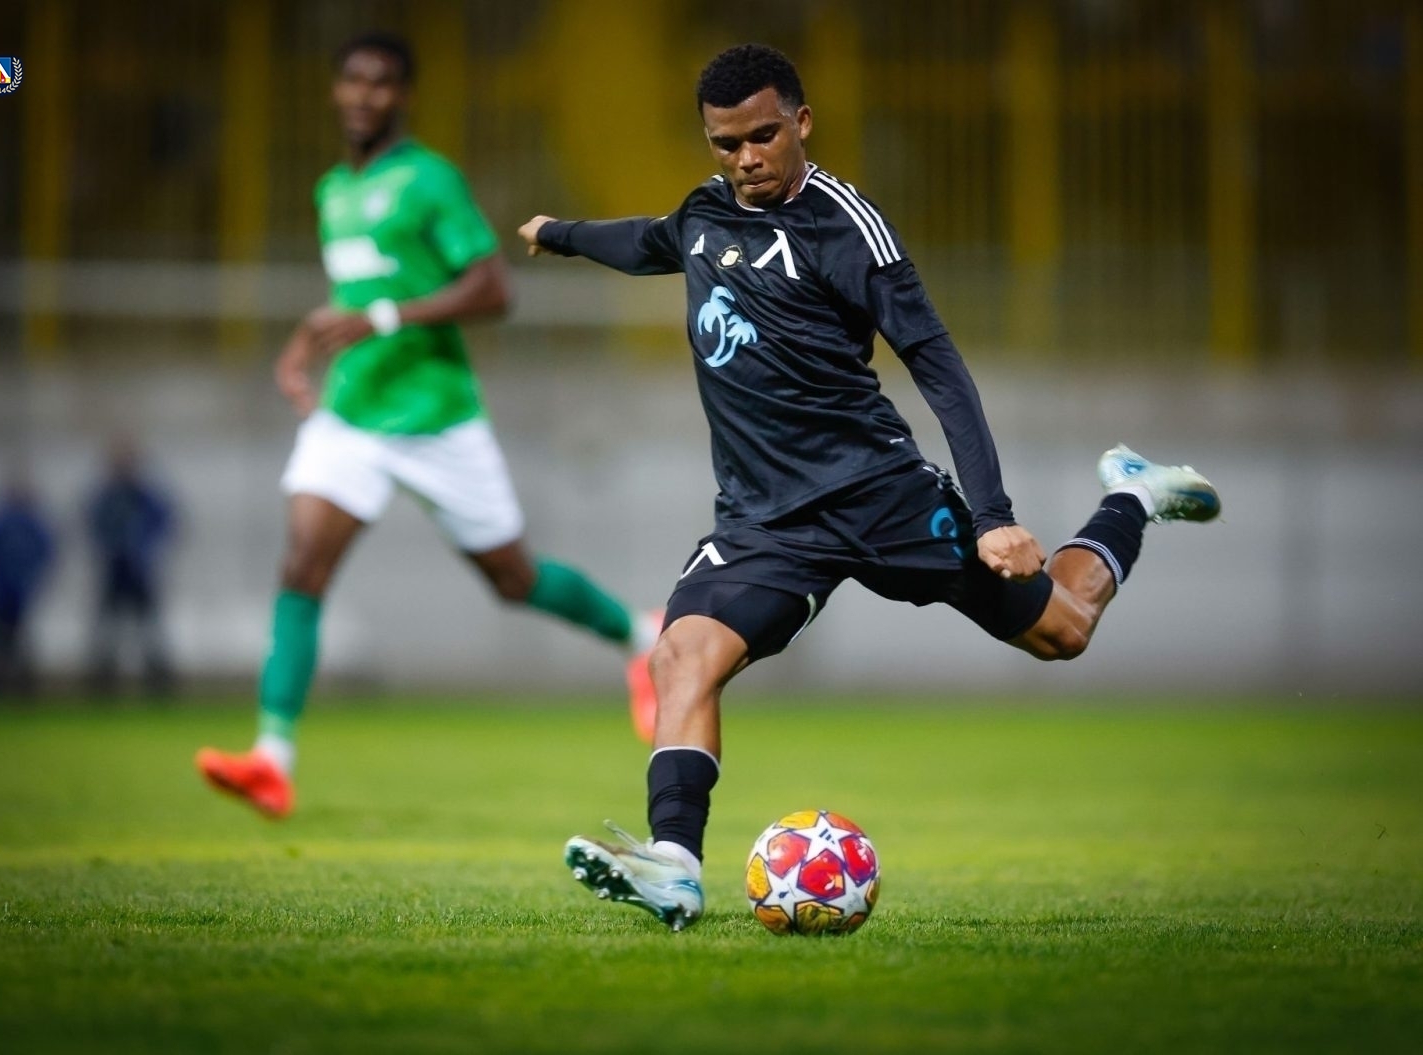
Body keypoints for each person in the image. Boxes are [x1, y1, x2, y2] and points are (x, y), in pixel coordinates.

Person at [518, 43, 1221, 931]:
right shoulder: (705, 214)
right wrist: (561, 235)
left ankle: (1132, 495)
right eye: (726, 143)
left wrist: (994, 516)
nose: (747, 158)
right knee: (680, 655)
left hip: (878, 494)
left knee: (1063, 630)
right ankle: (675, 866)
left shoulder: (847, 227)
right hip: (765, 521)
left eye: (764, 136)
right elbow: (646, 242)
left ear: (802, 122)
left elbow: (940, 368)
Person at [196, 31, 659, 820]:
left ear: (404, 95)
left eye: (381, 82)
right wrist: (309, 341)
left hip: (437, 415)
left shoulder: (429, 179)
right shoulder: (331, 191)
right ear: (336, 90)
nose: (364, 94)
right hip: (352, 415)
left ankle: (640, 639)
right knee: (302, 565)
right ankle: (272, 758)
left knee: (512, 578)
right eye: (352, 80)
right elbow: (356, 296)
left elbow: (493, 288)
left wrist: (383, 317)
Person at [85, 436, 178, 697]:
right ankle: (103, 682)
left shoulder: (144, 496)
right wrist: (111, 548)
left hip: (140, 572)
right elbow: (94, 523)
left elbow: (165, 521)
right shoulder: (107, 496)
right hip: (115, 570)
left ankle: (157, 682)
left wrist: (146, 549)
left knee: (149, 629)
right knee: (108, 630)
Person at [0, 473, 56, 695]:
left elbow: (46, 551)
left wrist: (32, 578)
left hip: (22, 590)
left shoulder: (31, 524)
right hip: (0, 590)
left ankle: (21, 685)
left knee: (20, 638)